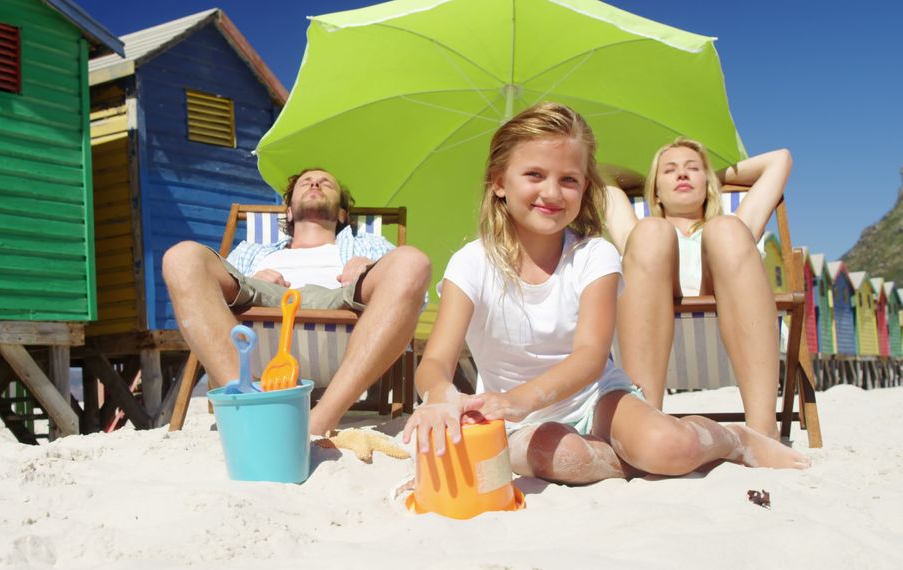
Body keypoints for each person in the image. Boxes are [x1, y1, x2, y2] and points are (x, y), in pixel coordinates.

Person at [402, 102, 808, 485]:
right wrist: (439, 395)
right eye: (533, 175)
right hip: (513, 416)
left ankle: (735, 438)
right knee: (559, 457)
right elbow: (437, 358)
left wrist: (517, 400)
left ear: (585, 188)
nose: (552, 192)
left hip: (596, 396)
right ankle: (623, 457)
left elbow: (591, 356)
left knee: (671, 446)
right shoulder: (471, 263)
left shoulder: (594, 254)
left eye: (569, 180)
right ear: (499, 183)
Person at [162, 168, 431, 436]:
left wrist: (371, 268)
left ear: (341, 214)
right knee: (181, 257)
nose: (315, 183)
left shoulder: (368, 246)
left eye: (326, 183)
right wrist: (251, 277)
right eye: (306, 182)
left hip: (339, 297)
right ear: (288, 211)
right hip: (264, 297)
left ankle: (321, 419)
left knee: (413, 261)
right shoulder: (253, 251)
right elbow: (208, 293)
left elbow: (415, 296)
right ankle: (249, 402)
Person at [605, 140, 793, 441]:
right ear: (654, 189)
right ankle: (644, 428)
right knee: (652, 232)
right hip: (651, 332)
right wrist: (656, 178)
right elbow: (599, 171)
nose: (682, 175)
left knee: (726, 229)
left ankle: (762, 432)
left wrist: (707, 177)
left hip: (728, 331)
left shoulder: (737, 224)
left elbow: (779, 159)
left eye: (692, 169)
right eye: (670, 171)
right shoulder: (636, 231)